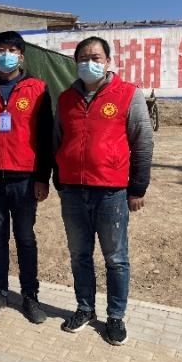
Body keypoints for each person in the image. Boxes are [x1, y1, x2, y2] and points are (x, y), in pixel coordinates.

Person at [53, 36, 153, 345]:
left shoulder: (128, 94)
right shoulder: (66, 99)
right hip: (73, 192)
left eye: (95, 57)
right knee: (79, 256)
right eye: (82, 58)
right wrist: (59, 179)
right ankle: (85, 308)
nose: (89, 63)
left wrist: (137, 188)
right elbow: (57, 140)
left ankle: (115, 317)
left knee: (116, 259)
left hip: (111, 193)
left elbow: (143, 142)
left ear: (108, 61)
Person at [0, 31, 53, 324]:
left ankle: (30, 296)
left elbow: (46, 135)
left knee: (25, 238)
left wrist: (42, 177)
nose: (6, 55)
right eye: (0, 50)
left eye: (12, 50)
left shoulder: (38, 89)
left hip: (25, 178)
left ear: (21, 56)